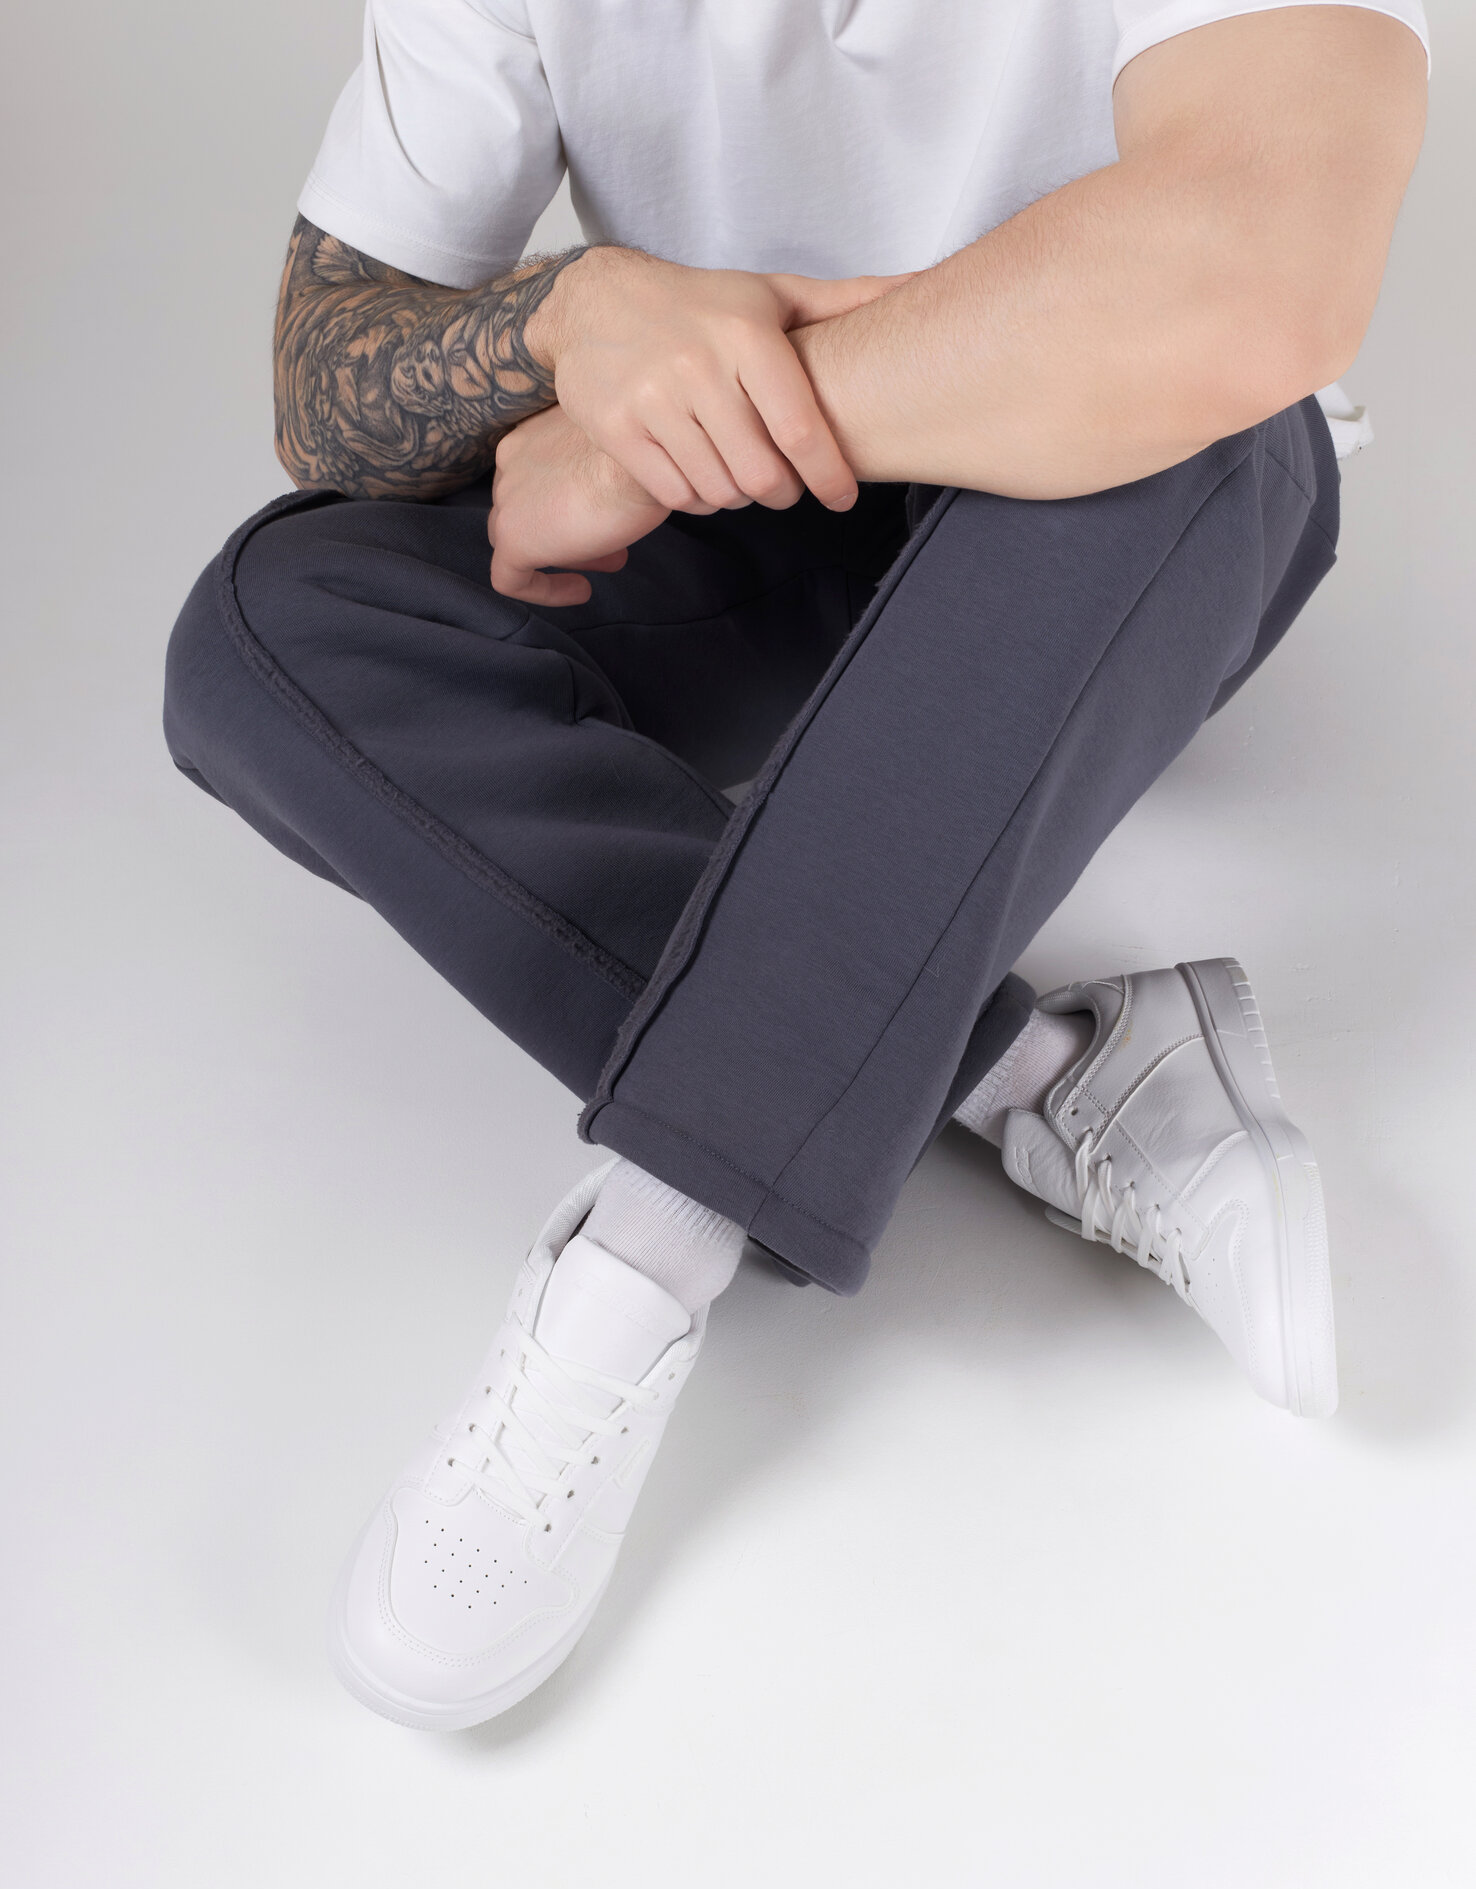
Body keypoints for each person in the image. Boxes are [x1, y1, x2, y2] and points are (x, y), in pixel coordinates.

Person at [164, 0, 1429, 1729]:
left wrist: (664, 423)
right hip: (740, 507)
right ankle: (1045, 1073)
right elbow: (326, 390)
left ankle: (638, 1261)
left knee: (1201, 399)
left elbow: (1251, 276)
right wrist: (571, 317)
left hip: (1123, 480)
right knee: (277, 626)